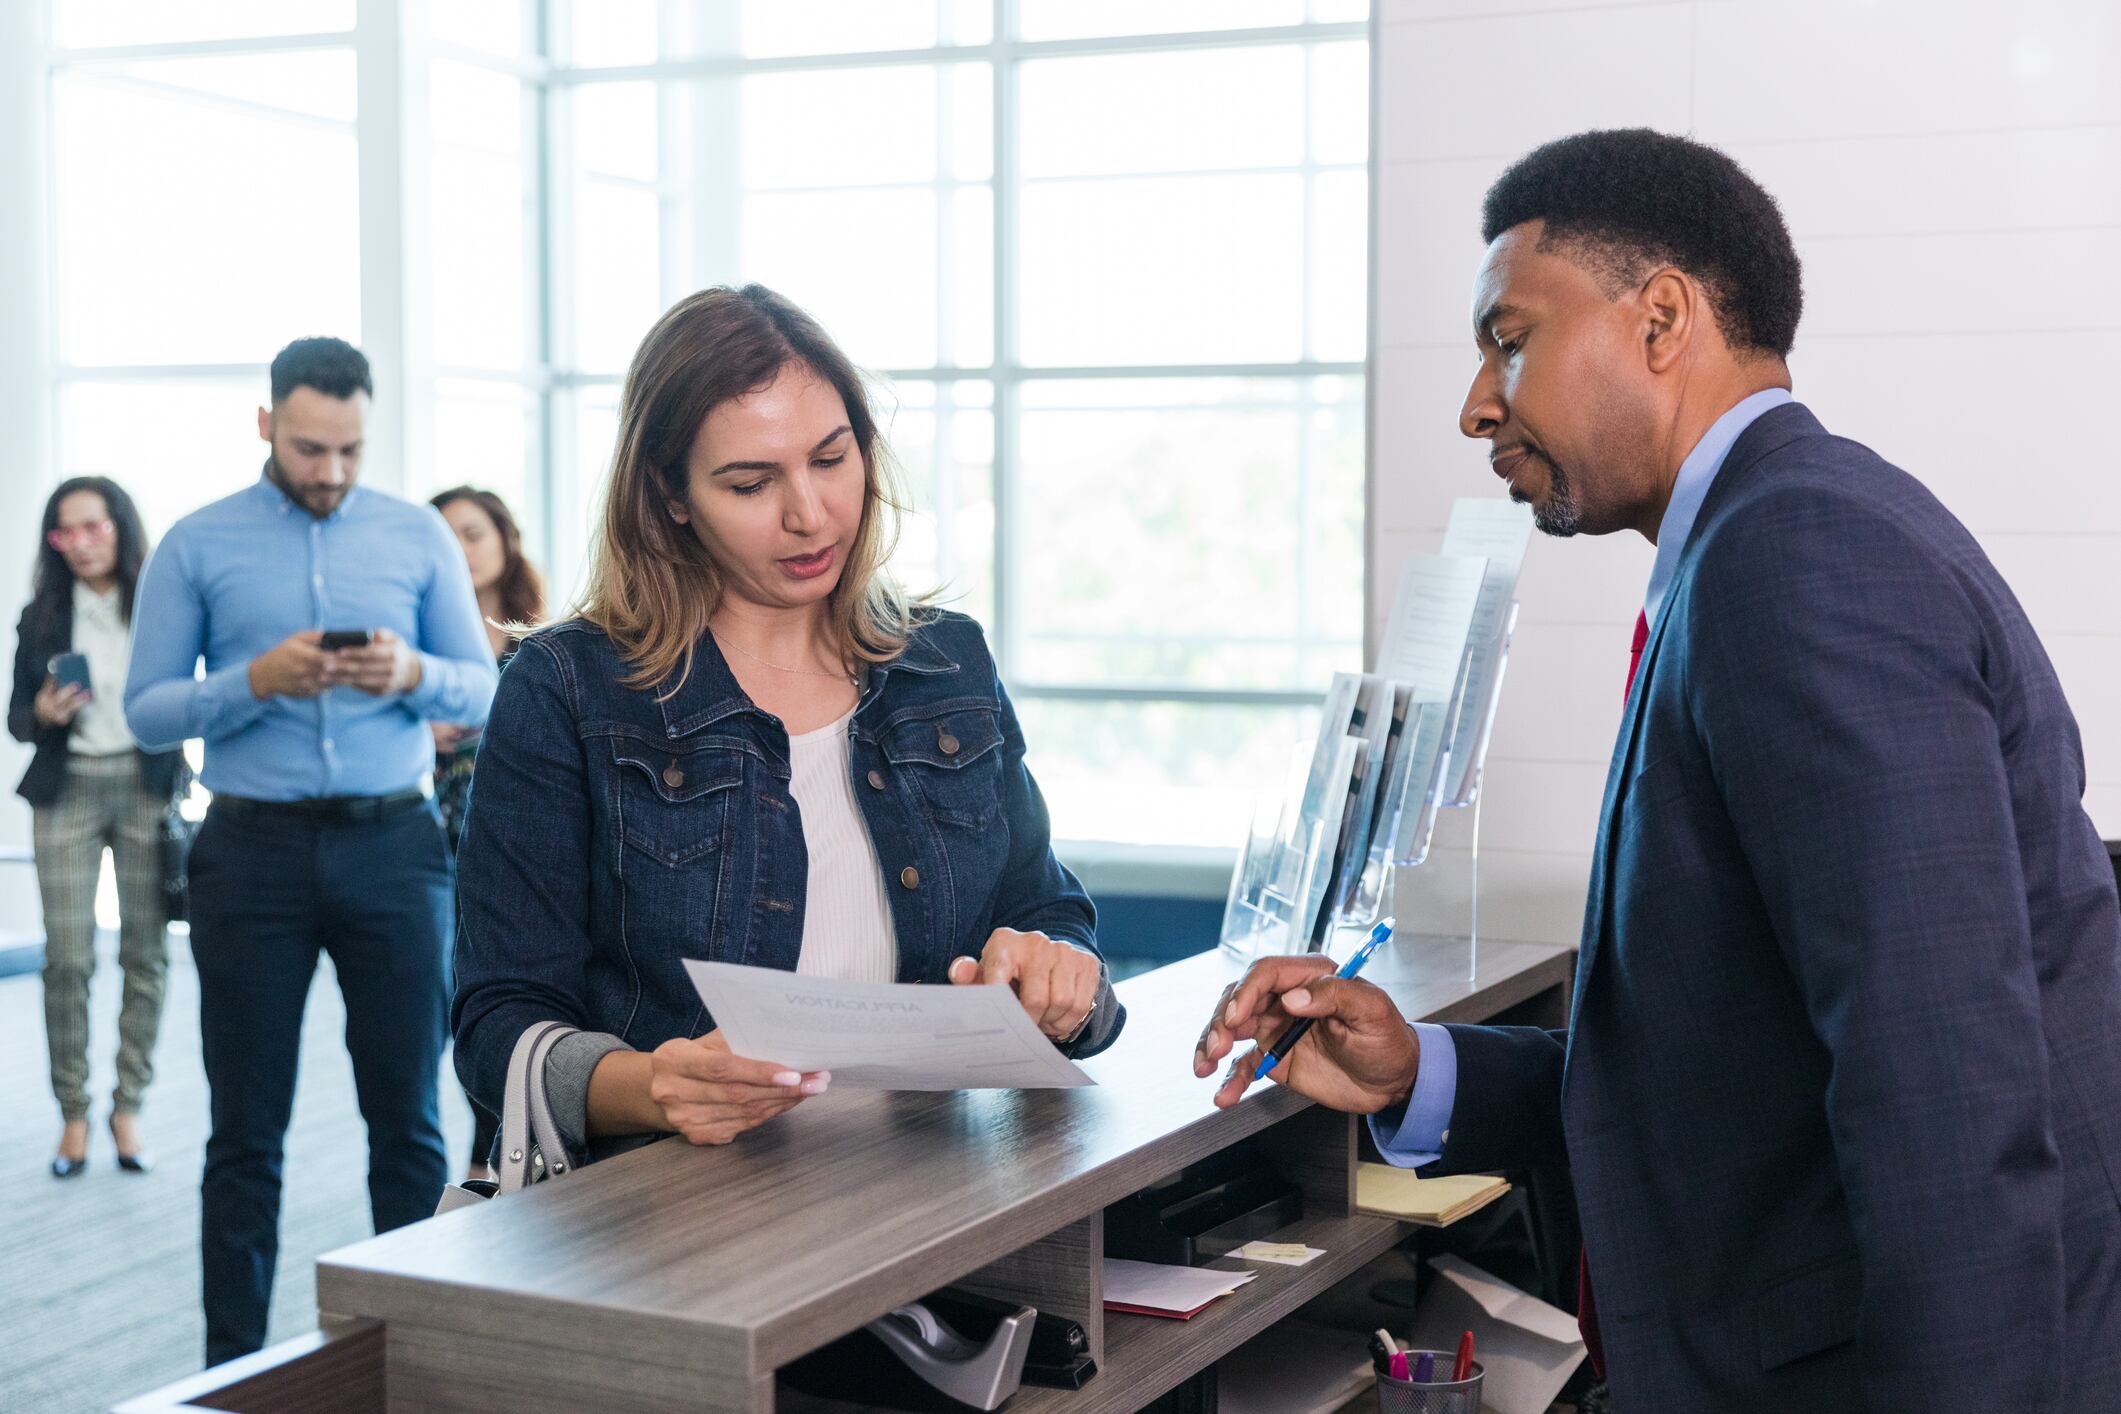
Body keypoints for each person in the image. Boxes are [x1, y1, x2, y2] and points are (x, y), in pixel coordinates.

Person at [1194, 129, 2121, 1411]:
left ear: (1663, 317)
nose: (1476, 402)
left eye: (1507, 339)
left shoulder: (1797, 557)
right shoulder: (1765, 541)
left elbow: (1945, 1099)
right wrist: (1422, 1071)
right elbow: (1736, 1057)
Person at [453, 285, 1124, 1163]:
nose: (808, 515)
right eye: (751, 482)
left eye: (830, 459)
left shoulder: (946, 665)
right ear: (671, 497)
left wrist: (1059, 971)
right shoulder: (566, 689)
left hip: (942, 1191)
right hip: (676, 1220)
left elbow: (1043, 911)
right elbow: (497, 1024)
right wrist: (654, 1085)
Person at [124, 337, 498, 1366]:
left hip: (394, 845)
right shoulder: (197, 545)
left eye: (349, 450)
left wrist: (411, 671)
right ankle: (233, 1370)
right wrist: (253, 680)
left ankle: (414, 1359)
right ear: (265, 426)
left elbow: (485, 687)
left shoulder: (416, 535)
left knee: (409, 1123)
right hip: (250, 854)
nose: (330, 471)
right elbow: (147, 711)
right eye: (308, 447)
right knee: (246, 1134)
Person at [9, 477, 185, 1178]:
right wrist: (45, 712)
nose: (80, 544)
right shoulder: (43, 613)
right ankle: (74, 1113)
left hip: (144, 786)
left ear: (120, 526)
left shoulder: (160, 606)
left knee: (145, 953)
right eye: (65, 532)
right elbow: (17, 718)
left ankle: (128, 1106)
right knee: (68, 959)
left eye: (93, 527)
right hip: (68, 789)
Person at [428, 484, 545, 1181]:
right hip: (440, 841)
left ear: (504, 538)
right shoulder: (417, 637)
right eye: (444, 537)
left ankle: (502, 1145)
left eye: (472, 532)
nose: (461, 550)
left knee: (516, 988)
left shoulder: (549, 639)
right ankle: (480, 1151)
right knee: (462, 995)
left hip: (527, 842)